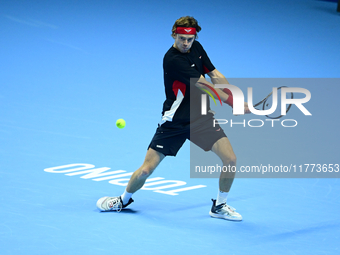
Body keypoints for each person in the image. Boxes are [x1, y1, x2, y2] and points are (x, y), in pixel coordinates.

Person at [97, 16, 250, 221]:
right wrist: (234, 104)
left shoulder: (197, 48)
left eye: (189, 39)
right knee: (145, 170)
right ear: (173, 35)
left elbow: (214, 74)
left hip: (201, 119)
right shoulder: (172, 59)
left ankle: (220, 205)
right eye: (181, 39)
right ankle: (123, 200)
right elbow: (205, 86)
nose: (186, 44)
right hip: (174, 122)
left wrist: (235, 96)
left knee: (230, 159)